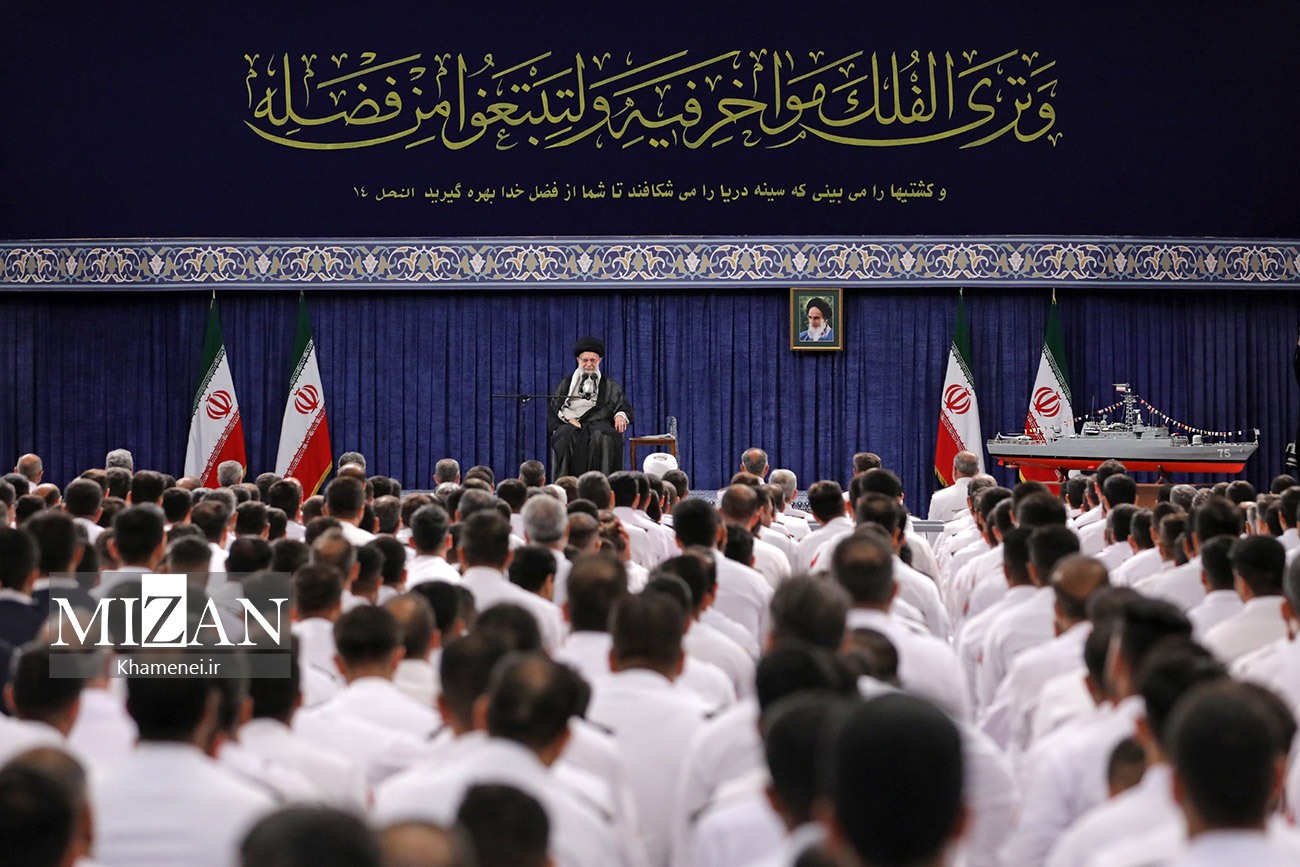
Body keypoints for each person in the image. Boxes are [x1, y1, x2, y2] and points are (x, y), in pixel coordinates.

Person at [548, 337, 633, 477]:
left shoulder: (609, 385)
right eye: (585, 360)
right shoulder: (566, 384)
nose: (589, 364)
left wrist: (620, 415)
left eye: (593, 360)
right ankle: (566, 485)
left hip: (599, 422)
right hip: (571, 423)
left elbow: (621, 404)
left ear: (599, 360)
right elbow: (555, 405)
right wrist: (569, 418)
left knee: (603, 436)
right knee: (565, 438)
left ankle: (603, 484)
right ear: (578, 360)